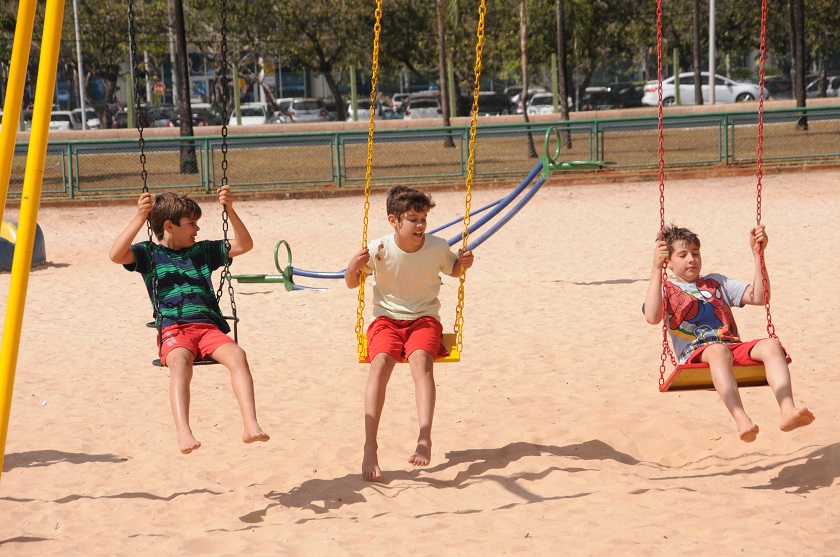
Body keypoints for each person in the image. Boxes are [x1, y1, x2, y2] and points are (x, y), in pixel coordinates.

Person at [109, 186, 269, 454]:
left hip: (207, 328)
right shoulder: (148, 254)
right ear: (169, 226)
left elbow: (244, 245)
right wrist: (140, 217)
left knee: (238, 355)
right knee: (181, 363)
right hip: (174, 328)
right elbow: (115, 255)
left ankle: (250, 424)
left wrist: (230, 210)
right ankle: (184, 431)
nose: (197, 229)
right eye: (191, 223)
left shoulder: (202, 252)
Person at [345, 186, 474, 480]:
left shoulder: (438, 246)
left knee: (421, 363)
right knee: (378, 366)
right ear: (394, 221)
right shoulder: (378, 248)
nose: (420, 226)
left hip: (424, 319)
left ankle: (424, 438)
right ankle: (370, 446)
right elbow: (353, 283)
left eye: (423, 219)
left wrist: (462, 264)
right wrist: (351, 267)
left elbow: (452, 269)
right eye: (413, 219)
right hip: (386, 321)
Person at [643, 224, 814, 442]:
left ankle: (787, 409)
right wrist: (656, 269)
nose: (691, 259)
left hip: (731, 346)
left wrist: (758, 255)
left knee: (771, 344)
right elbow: (652, 316)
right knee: (717, 350)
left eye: (695, 253)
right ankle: (741, 418)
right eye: (683, 255)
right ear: (668, 261)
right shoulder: (665, 288)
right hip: (696, 351)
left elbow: (760, 297)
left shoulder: (716, 282)